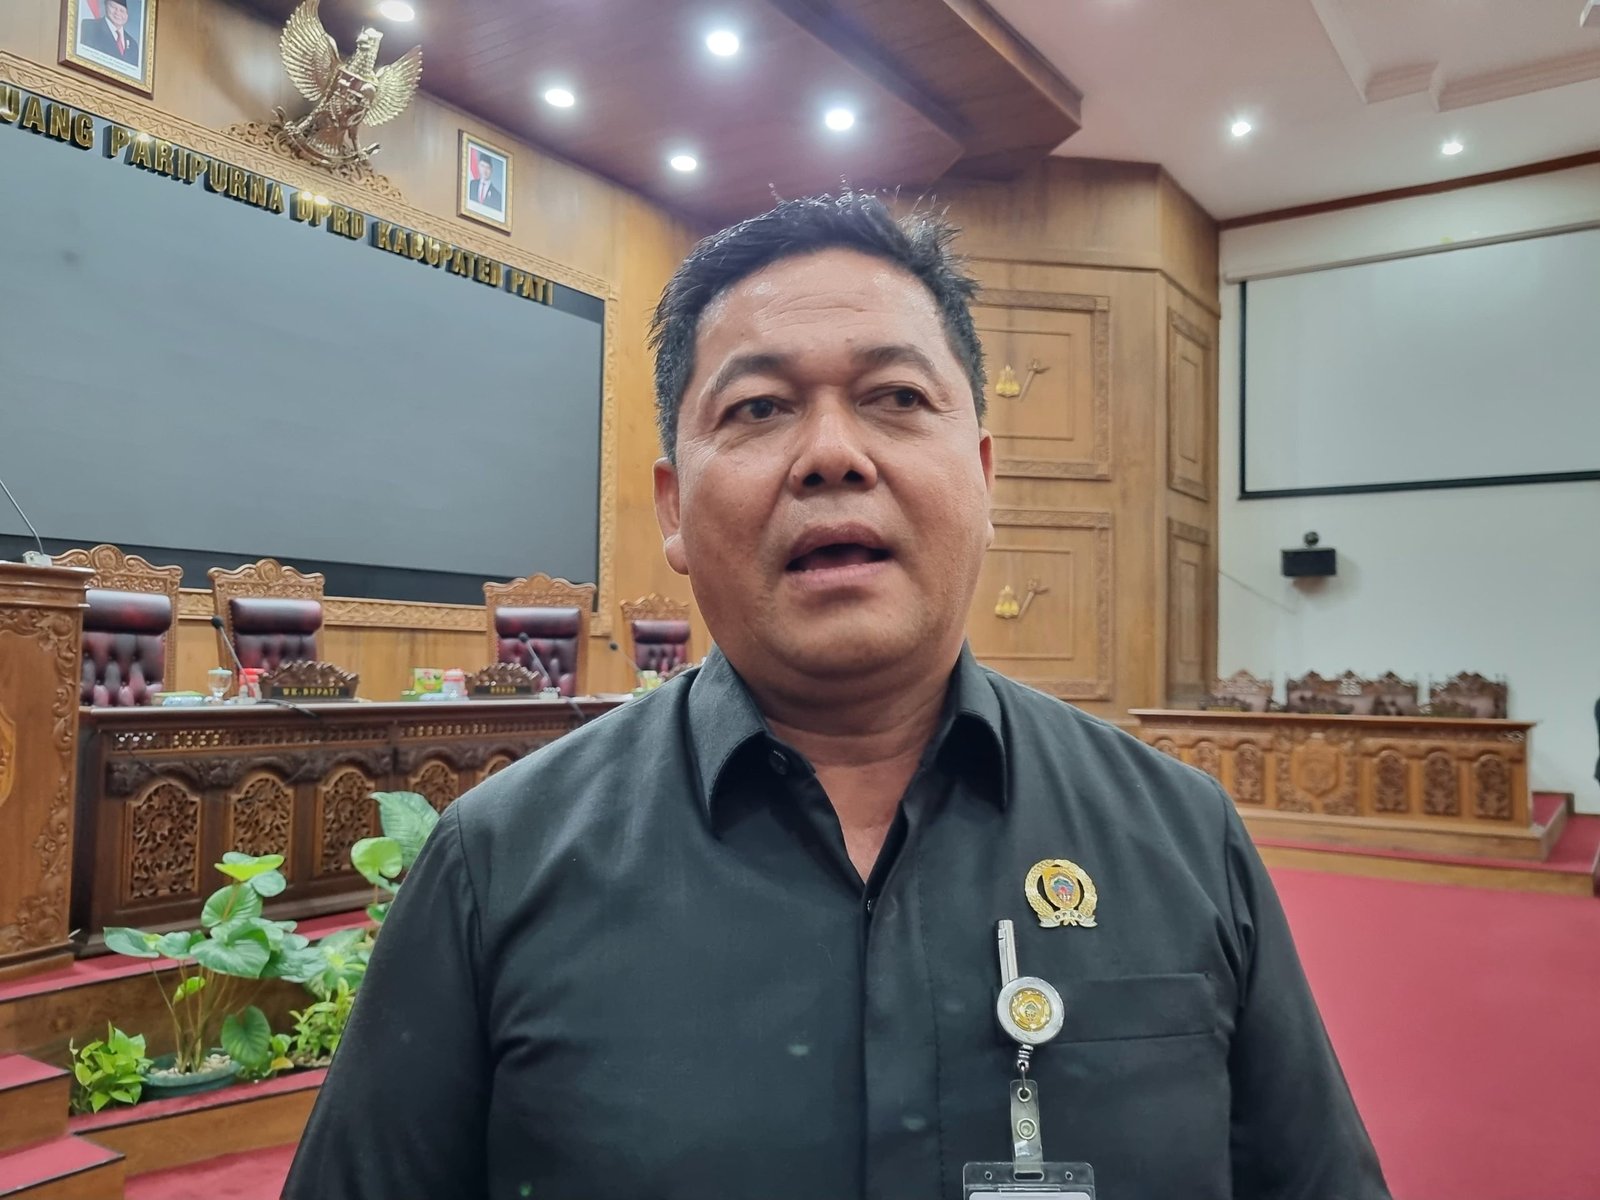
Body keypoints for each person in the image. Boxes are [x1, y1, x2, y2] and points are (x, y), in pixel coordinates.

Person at [284, 193, 1390, 1199]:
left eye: (896, 397)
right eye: (759, 408)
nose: (830, 454)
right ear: (673, 510)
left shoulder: (1182, 837)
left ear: (985, 477)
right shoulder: (496, 865)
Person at [79, 0, 139, 66]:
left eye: (122, 10)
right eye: (113, 7)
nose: (117, 13)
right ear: (106, 6)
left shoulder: (133, 45)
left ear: (127, 15)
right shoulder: (89, 27)